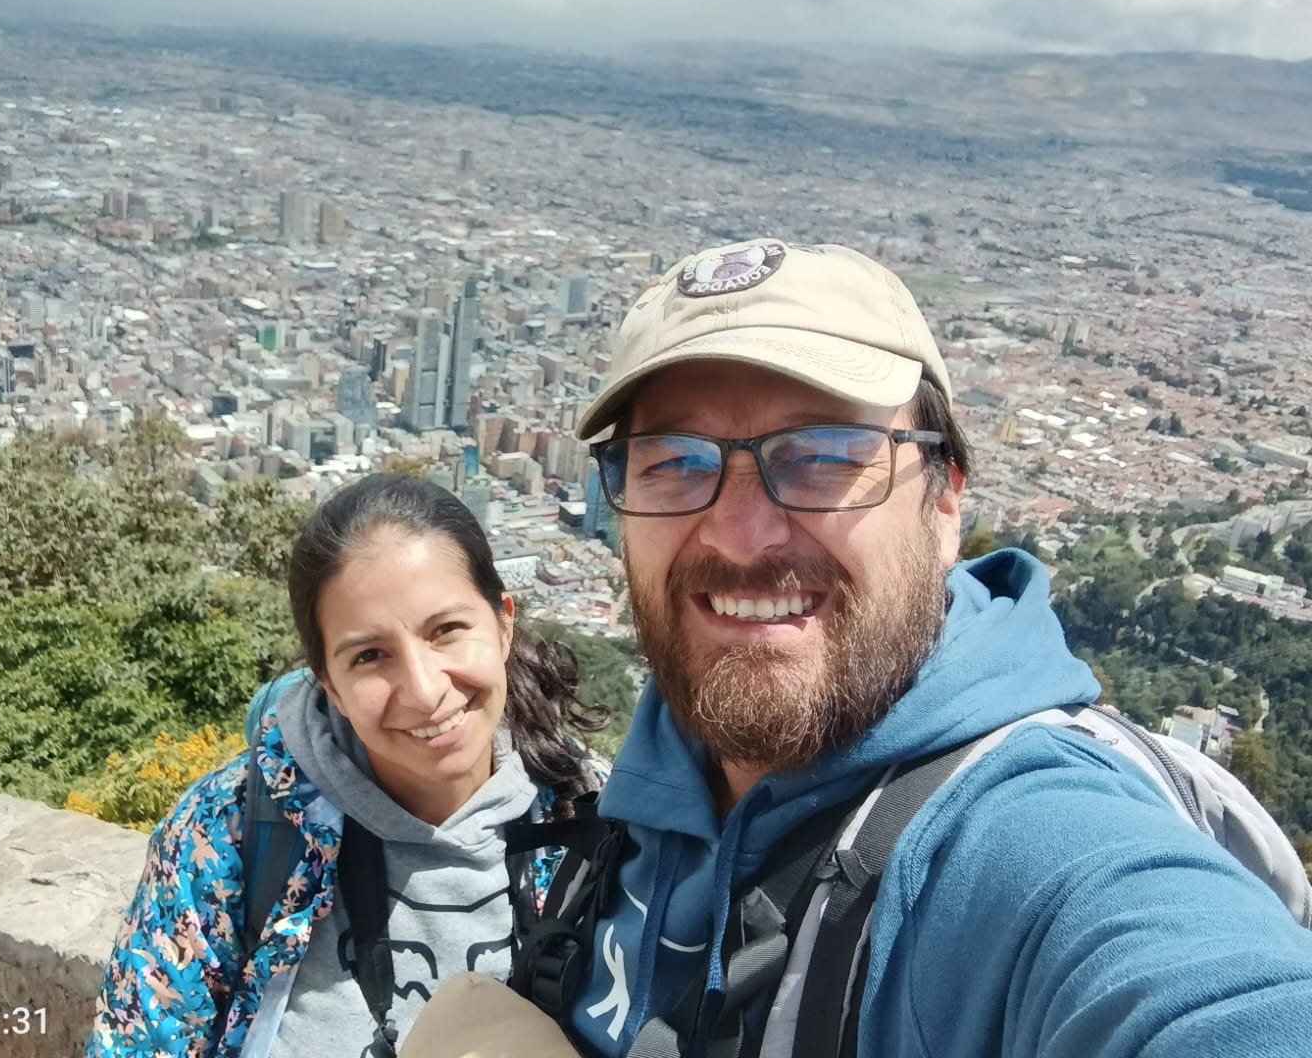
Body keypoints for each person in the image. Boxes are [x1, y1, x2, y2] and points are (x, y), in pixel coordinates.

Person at [558, 238, 1312, 1056]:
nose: (741, 536)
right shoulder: (642, 790)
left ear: (945, 502)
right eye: (674, 461)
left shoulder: (1024, 840)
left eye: (823, 456)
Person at [88, 473, 608, 1058]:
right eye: (370, 656)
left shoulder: (595, 816)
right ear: (330, 685)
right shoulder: (229, 832)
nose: (423, 690)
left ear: (504, 624)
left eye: (448, 631)